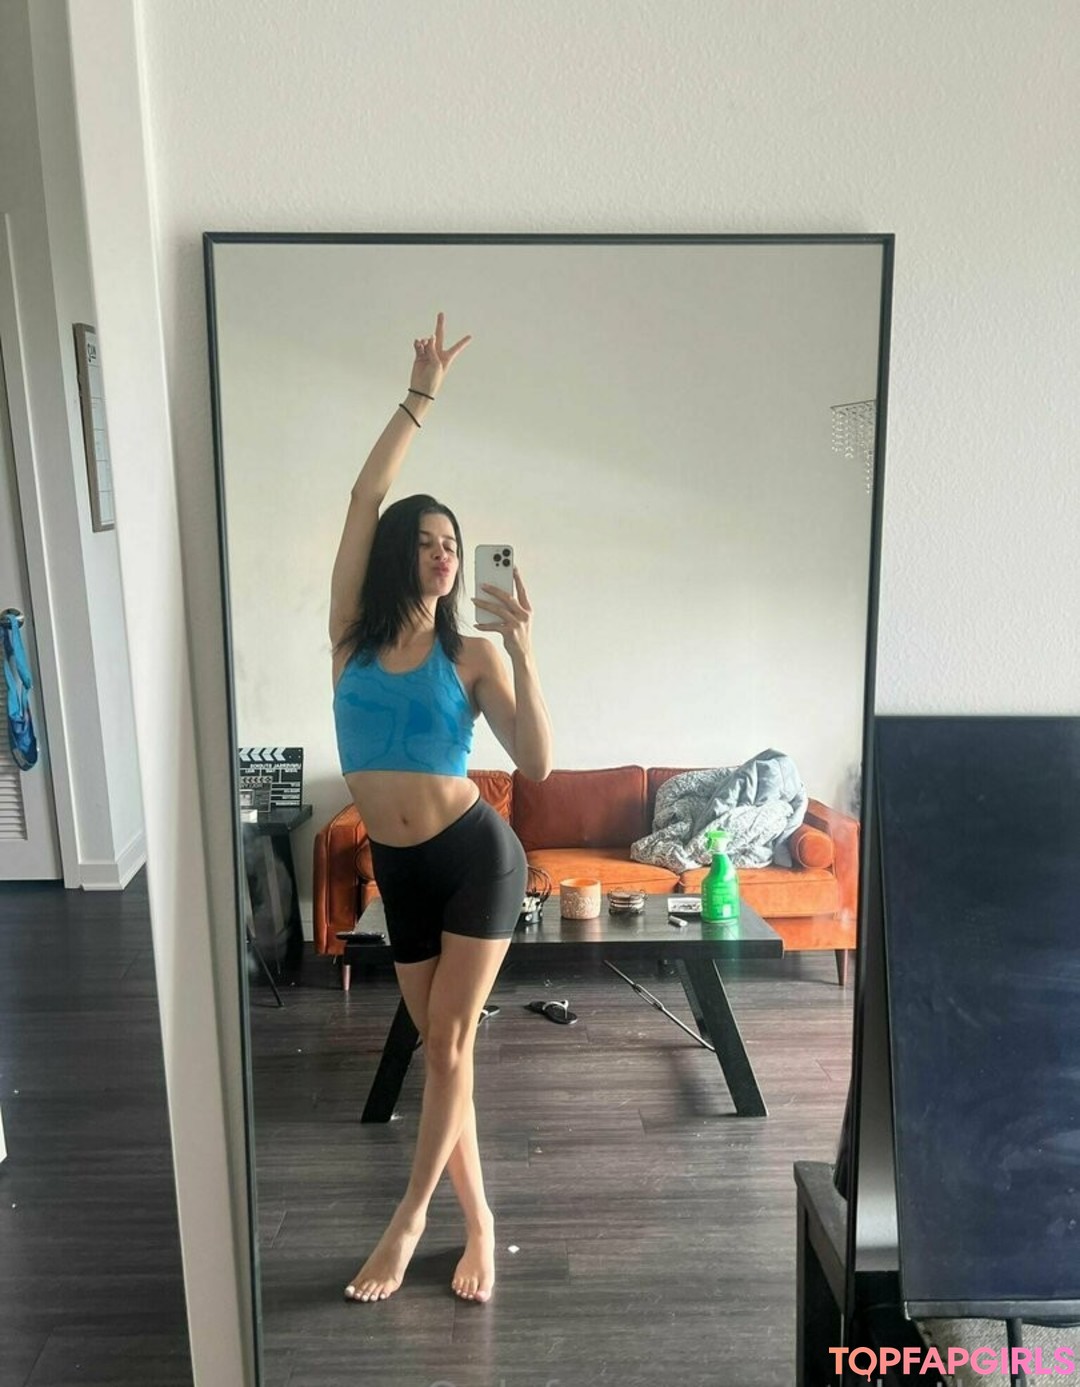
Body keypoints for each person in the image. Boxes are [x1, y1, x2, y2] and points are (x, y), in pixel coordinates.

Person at [330, 313, 553, 1305]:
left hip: (475, 857)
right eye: (425, 543)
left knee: (452, 1043)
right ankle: (484, 1222)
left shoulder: (474, 653)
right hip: (400, 868)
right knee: (441, 1053)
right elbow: (363, 495)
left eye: (452, 545)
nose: (443, 554)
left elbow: (536, 761)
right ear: (397, 555)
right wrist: (420, 397)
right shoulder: (349, 635)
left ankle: (410, 1218)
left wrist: (528, 655)